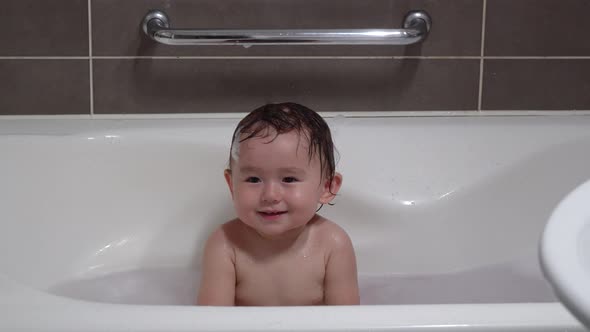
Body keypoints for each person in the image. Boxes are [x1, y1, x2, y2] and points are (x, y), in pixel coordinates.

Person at [197, 102, 359, 306]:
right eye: (254, 179)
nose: (270, 195)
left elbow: (347, 322)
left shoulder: (333, 244)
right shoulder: (225, 244)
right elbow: (211, 323)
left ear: (327, 187)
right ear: (232, 186)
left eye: (289, 179)